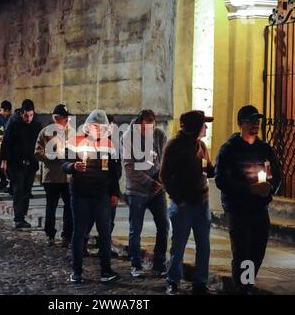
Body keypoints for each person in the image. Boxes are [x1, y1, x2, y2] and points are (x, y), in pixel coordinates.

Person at [215, 105, 281, 295]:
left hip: (259, 209)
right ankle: (243, 290)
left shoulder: (264, 149)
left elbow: (276, 175)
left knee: (257, 252)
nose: (255, 125)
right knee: (243, 253)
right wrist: (249, 189)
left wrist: (268, 190)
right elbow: (222, 180)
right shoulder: (229, 150)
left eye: (257, 122)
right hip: (238, 210)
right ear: (240, 124)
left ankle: (246, 285)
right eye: (251, 121)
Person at [62, 109, 121, 284]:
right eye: (93, 126)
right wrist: (73, 166)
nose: (96, 129)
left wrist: (114, 194)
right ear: (87, 127)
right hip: (80, 195)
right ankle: (76, 271)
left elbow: (114, 173)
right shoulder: (75, 142)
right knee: (79, 233)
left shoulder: (109, 145)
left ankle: (106, 271)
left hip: (102, 196)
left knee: (104, 233)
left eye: (99, 127)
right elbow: (63, 164)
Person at [160, 110, 215, 295]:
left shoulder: (201, 146)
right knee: (179, 245)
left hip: (202, 202)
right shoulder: (174, 146)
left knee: (204, 245)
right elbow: (165, 175)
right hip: (184, 205)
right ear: (195, 127)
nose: (206, 127)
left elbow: (209, 170)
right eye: (203, 124)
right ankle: (172, 281)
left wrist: (214, 168)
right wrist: (178, 199)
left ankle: (200, 282)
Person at [121, 109, 169, 278]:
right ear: (139, 123)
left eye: (152, 126)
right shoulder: (128, 137)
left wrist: (161, 180)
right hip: (137, 190)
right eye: (145, 127)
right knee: (136, 229)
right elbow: (129, 167)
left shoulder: (159, 135)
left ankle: (159, 263)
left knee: (164, 225)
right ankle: (135, 264)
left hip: (158, 190)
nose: (149, 130)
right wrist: (149, 183)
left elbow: (165, 160)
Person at [34, 104, 73, 247]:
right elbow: (37, 152)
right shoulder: (45, 132)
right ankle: (50, 234)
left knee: (69, 206)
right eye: (64, 118)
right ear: (56, 118)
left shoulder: (72, 133)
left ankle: (67, 235)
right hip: (52, 176)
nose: (67, 120)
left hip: (68, 176)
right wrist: (52, 157)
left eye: (67, 118)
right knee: (51, 206)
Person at [1, 99, 42, 229]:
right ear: (21, 113)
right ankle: (19, 218)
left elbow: (41, 143)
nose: (28, 118)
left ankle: (22, 215)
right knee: (18, 189)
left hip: (31, 163)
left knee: (26, 190)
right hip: (16, 163)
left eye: (31, 115)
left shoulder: (37, 126)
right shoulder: (14, 125)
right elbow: (6, 143)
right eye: (26, 115)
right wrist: (4, 161)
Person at [84, 114, 122, 255]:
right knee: (89, 220)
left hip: (109, 188)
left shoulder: (113, 143)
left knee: (109, 222)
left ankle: (103, 247)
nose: (110, 128)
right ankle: (82, 245)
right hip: (96, 189)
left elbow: (115, 168)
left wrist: (115, 192)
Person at [0, 100, 12, 192]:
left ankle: (3, 183)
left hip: (3, 144)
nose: (6, 114)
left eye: (8, 112)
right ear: (1, 109)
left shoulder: (7, 117)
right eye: (5, 112)